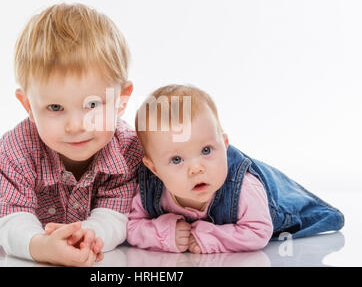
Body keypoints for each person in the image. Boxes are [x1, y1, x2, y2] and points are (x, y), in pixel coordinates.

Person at [0, 3, 144, 266]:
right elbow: (11, 221)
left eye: (92, 105)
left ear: (122, 100)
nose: (76, 126)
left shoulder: (128, 151)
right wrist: (40, 246)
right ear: (29, 106)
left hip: (16, 159)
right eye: (55, 107)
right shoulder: (17, 151)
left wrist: (89, 236)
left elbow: (116, 213)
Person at [126, 84, 344, 254]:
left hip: (275, 200)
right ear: (153, 168)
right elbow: (131, 226)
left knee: (305, 214)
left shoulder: (244, 188)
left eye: (206, 150)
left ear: (224, 143)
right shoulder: (150, 188)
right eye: (176, 160)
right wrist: (164, 234)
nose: (196, 168)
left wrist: (209, 237)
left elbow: (258, 232)